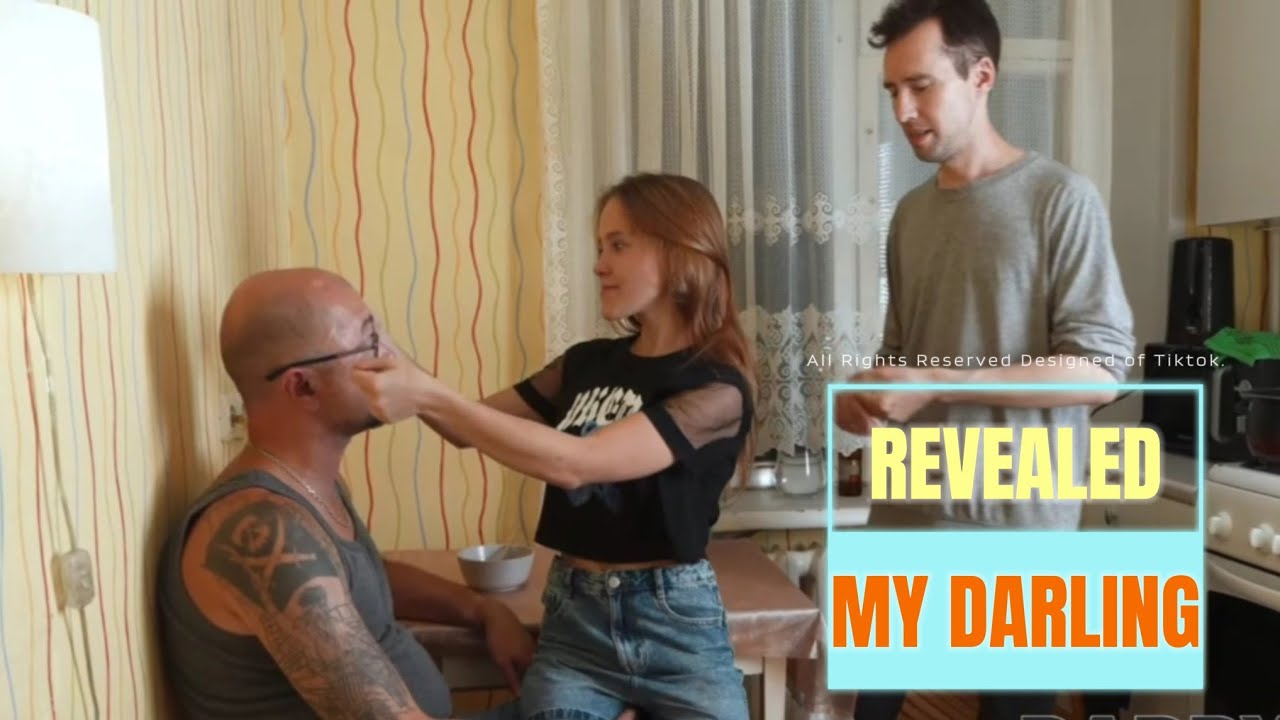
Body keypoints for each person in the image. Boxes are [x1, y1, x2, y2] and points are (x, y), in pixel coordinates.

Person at [351, 172, 757, 720]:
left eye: (618, 245)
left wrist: (426, 394)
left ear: (678, 250)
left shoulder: (717, 387)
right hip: (576, 623)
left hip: (678, 630)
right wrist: (393, 359)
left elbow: (578, 464)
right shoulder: (585, 364)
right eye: (599, 247)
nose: (599, 265)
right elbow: (463, 427)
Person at [833, 0, 1136, 718]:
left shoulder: (1062, 200)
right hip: (904, 521)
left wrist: (937, 383)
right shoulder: (910, 215)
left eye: (921, 86)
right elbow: (901, 356)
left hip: (1018, 533)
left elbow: (1099, 370)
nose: (903, 111)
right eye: (892, 91)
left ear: (982, 75)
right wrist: (866, 398)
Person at [155, 268, 537, 720]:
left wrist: (481, 609)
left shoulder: (309, 487)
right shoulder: (267, 530)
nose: (392, 361)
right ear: (302, 386)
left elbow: (359, 576)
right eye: (369, 343)